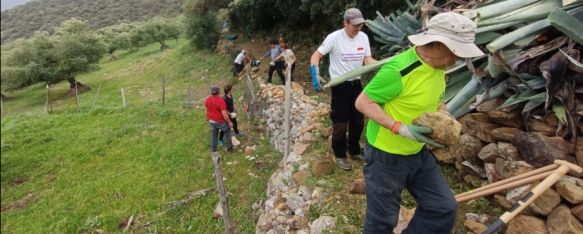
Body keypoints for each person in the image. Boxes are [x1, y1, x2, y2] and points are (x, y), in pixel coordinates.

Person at [354, 12, 484, 233]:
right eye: (455, 51)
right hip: (386, 155)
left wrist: (444, 118)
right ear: (437, 44)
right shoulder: (399, 70)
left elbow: (435, 99)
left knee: (443, 207)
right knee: (382, 221)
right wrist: (399, 128)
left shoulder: (439, 68)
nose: (457, 59)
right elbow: (363, 102)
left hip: (417, 153)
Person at [309, 8, 376, 170]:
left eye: (360, 25)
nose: (358, 28)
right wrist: (314, 74)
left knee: (358, 120)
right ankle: (339, 153)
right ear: (345, 23)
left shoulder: (363, 37)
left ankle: (354, 149)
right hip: (340, 85)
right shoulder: (334, 38)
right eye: (354, 25)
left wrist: (380, 66)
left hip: (356, 84)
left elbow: (367, 59)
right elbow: (316, 56)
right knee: (340, 123)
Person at [205, 86, 234, 153]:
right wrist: (229, 122)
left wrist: (207, 118)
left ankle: (214, 149)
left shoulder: (208, 99)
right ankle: (229, 149)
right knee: (227, 133)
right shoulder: (221, 100)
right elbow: (224, 113)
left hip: (212, 121)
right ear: (219, 92)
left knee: (214, 134)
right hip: (220, 121)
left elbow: (206, 110)